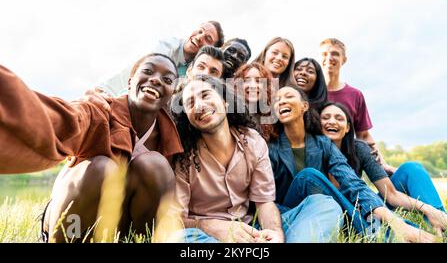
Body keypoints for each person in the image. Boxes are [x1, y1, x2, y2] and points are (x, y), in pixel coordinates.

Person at [0, 54, 183, 242]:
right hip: (74, 219)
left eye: (167, 79)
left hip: (118, 224)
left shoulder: (170, 137)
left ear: (170, 95)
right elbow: (65, 121)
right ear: (130, 82)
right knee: (103, 168)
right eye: (147, 71)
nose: (155, 79)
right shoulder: (100, 109)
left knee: (155, 164)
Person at [170, 75, 343, 243]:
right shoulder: (183, 158)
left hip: (252, 231)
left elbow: (264, 202)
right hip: (206, 236)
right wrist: (211, 226)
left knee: (324, 204)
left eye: (205, 95)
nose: (200, 105)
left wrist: (275, 234)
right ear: (187, 117)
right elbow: (176, 220)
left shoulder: (252, 141)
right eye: (190, 103)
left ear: (225, 101)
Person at [268, 84, 437, 242]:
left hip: (326, 209)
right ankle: (381, 234)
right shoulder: (270, 148)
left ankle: (403, 227)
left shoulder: (323, 144)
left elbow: (352, 182)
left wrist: (395, 221)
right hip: (290, 212)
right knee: (309, 176)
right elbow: (266, 199)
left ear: (304, 106)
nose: (281, 101)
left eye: (288, 96)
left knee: (335, 193)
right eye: (276, 100)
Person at [319, 102, 447, 236]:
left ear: (347, 128)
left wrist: (428, 209)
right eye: (325, 117)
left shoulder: (359, 149)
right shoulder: (310, 152)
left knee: (411, 169)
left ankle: (442, 223)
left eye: (339, 118)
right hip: (336, 217)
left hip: (369, 208)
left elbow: (391, 194)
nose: (332, 121)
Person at [319, 38, 396, 175]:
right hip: (318, 162)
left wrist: (383, 164)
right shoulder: (310, 93)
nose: (329, 58)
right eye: (324, 54)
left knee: (411, 170)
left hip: (348, 164)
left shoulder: (355, 95)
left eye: (335, 54)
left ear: (344, 60)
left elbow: (363, 135)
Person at [96, 21, 224, 96]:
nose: (200, 37)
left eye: (208, 38)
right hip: (109, 92)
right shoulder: (167, 46)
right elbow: (150, 76)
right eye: (200, 31)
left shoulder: (195, 70)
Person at [233, 62, 276, 142]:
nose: (252, 85)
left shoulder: (270, 117)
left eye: (258, 81)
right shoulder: (229, 115)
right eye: (246, 80)